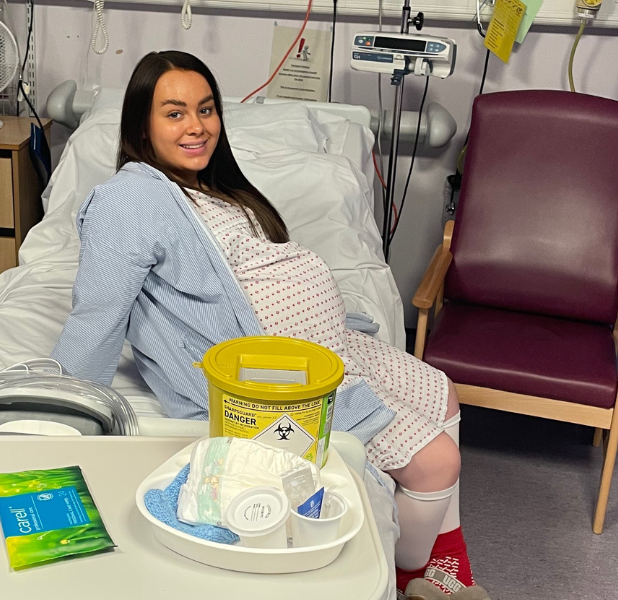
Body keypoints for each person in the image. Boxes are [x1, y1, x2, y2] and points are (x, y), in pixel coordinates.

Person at [51, 50, 488, 600]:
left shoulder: (210, 186)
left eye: (206, 110)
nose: (197, 126)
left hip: (329, 348)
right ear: (142, 122)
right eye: (175, 112)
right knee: (436, 462)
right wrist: (64, 411)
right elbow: (99, 311)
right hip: (277, 380)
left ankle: (443, 568)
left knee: (442, 390)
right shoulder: (129, 198)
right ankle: (413, 577)